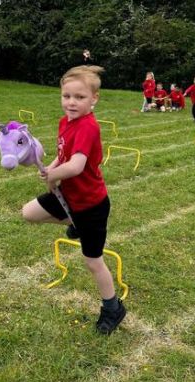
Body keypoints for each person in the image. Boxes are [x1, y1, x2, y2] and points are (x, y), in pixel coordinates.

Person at [21, 65, 126, 335]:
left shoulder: (88, 127)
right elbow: (64, 154)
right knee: (29, 213)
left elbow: (77, 165)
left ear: (94, 99)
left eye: (79, 97)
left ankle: (112, 307)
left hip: (91, 205)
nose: (71, 102)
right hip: (67, 196)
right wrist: (51, 169)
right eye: (67, 96)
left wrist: (55, 173)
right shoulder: (64, 122)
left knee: (93, 261)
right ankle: (73, 223)